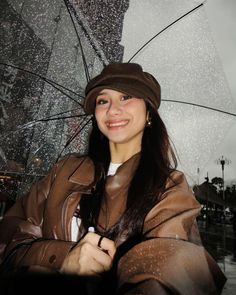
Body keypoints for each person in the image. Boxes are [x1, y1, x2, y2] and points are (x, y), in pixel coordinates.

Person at [0, 63, 226, 294]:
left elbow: (170, 270)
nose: (112, 110)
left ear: (149, 113)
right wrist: (63, 258)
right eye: (103, 100)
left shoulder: (168, 188)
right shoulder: (65, 170)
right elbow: (9, 240)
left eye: (126, 96)